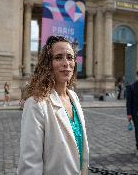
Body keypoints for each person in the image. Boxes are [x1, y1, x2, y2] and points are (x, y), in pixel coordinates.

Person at [17, 36, 89, 174]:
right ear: (47, 64)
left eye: (70, 57)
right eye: (58, 57)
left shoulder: (74, 97)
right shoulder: (36, 104)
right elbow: (30, 164)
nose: (66, 63)